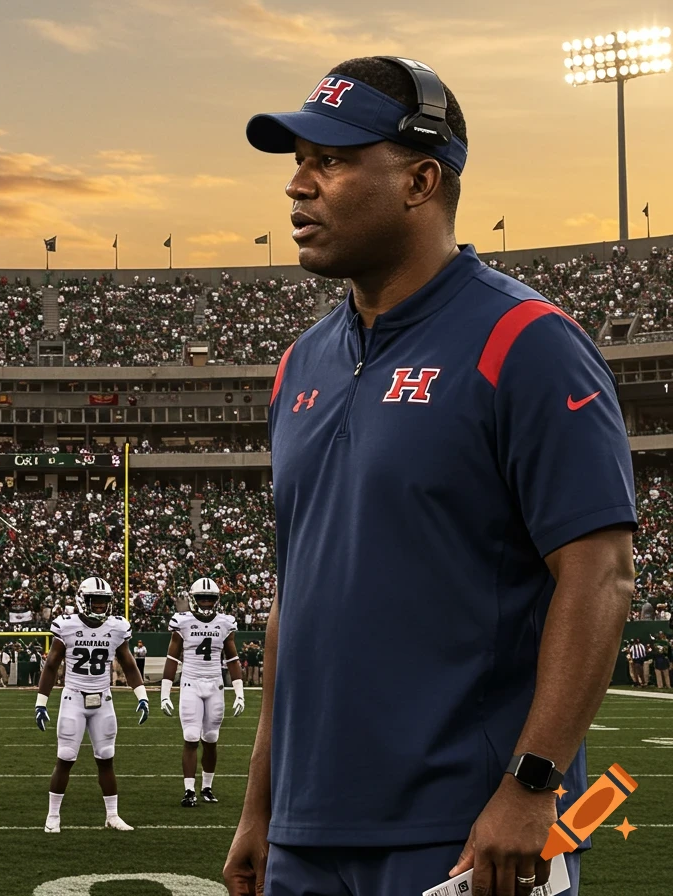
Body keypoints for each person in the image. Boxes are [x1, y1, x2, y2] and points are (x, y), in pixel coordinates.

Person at [225, 57, 636, 896]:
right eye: (297, 161)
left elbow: (600, 574)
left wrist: (532, 787)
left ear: (420, 179)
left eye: (330, 161)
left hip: (462, 836)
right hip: (307, 834)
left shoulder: (525, 340)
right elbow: (292, 599)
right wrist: (261, 805)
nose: (298, 187)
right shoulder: (300, 362)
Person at [34, 576, 149, 833]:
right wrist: (41, 702)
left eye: (103, 603)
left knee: (106, 758)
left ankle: (112, 815)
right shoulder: (67, 625)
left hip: (103, 699)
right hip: (73, 697)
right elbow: (52, 665)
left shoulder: (117, 627)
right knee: (65, 758)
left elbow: (129, 664)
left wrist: (141, 695)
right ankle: (53, 815)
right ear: (82, 600)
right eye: (94, 602)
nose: (99, 607)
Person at [161, 578, 245, 807]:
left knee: (211, 739)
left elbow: (232, 658)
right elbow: (172, 657)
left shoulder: (225, 623)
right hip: (190, 683)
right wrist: (165, 692)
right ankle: (189, 790)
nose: (206, 603)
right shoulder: (183, 622)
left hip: (215, 684)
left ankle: (207, 787)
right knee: (190, 737)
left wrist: (239, 692)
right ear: (193, 599)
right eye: (202, 598)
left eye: (210, 598)